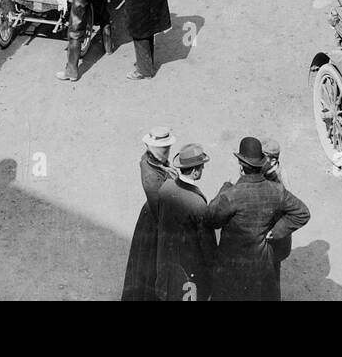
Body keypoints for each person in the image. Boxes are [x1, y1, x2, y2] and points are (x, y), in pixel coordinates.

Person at [205, 136, 311, 301]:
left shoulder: (231, 194)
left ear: (241, 166)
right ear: (262, 164)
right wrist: (277, 230)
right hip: (262, 263)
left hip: (232, 263)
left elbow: (211, 219)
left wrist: (226, 185)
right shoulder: (277, 190)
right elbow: (302, 213)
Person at [121, 126, 177, 300]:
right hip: (155, 222)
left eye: (168, 148)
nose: (167, 152)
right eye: (164, 148)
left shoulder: (155, 160)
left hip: (156, 215)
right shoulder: (150, 176)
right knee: (151, 266)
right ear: (153, 148)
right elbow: (160, 208)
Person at [155, 143, 216, 302]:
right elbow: (207, 246)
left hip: (166, 268)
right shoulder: (197, 203)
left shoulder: (166, 187)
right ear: (195, 172)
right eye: (202, 167)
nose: (203, 170)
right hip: (190, 274)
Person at [261, 138, 291, 284]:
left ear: (270, 159)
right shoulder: (279, 171)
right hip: (274, 240)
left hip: (271, 239)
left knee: (269, 278)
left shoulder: (275, 179)